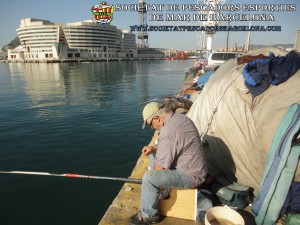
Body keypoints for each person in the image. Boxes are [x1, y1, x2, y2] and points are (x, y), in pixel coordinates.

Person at [128, 102, 208, 225]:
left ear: (157, 119)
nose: (151, 128)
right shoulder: (179, 118)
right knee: (154, 154)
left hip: (191, 175)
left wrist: (152, 183)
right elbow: (174, 142)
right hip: (195, 167)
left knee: (149, 178)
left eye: (150, 124)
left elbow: (158, 169)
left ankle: (149, 215)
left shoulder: (168, 131)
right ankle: (162, 190)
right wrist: (153, 148)